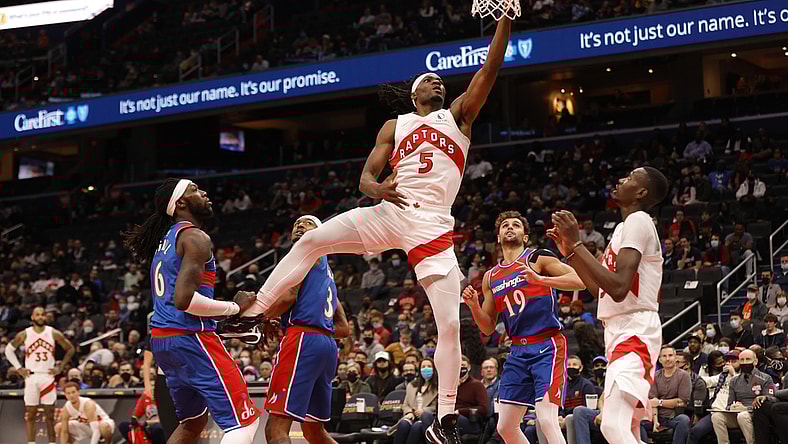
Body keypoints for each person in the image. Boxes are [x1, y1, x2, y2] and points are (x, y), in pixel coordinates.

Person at [224, 15, 513, 444]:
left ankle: (445, 417)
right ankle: (255, 312)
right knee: (313, 240)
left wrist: (504, 22)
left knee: (450, 325)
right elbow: (364, 180)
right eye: (430, 81)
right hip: (391, 210)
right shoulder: (394, 125)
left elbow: (488, 71)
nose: (438, 84)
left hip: (433, 223)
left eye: (441, 82)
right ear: (415, 93)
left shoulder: (459, 116)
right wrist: (379, 188)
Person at [121, 178, 261, 444]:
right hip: (189, 337)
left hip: (163, 341)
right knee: (245, 422)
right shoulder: (195, 237)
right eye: (195, 189)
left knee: (192, 422)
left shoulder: (166, 240)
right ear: (181, 202)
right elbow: (185, 300)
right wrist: (235, 307)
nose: (204, 192)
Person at [550, 167, 670, 444]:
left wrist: (578, 244)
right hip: (617, 331)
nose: (620, 180)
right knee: (624, 430)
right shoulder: (621, 229)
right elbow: (599, 290)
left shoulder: (639, 220)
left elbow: (618, 288)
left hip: (635, 329)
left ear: (641, 193)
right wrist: (570, 253)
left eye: (628, 178)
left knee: (612, 426)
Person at [463, 210, 585, 444]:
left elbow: (580, 280)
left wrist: (542, 280)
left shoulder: (537, 258)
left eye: (516, 225)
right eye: (505, 225)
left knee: (546, 420)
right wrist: (474, 306)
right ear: (498, 237)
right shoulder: (491, 276)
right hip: (517, 350)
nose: (510, 228)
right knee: (506, 427)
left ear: (525, 236)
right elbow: (488, 328)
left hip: (547, 345)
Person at [248, 215, 350, 444]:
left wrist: (259, 318)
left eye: (308, 223)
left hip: (303, 339)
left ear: (320, 232)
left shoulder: (304, 253)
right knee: (314, 432)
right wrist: (316, 325)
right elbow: (343, 328)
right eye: (296, 224)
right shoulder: (327, 273)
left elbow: (288, 296)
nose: (300, 226)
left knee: (275, 431)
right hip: (327, 347)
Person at [4, 306, 75, 444]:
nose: (40, 317)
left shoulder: (53, 333)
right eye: (37, 315)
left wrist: (60, 367)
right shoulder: (25, 334)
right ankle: (31, 443)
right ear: (32, 317)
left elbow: (70, 349)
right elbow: (8, 350)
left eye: (42, 315)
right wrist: (19, 368)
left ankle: (52, 442)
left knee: (49, 414)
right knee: (31, 413)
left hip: (47, 376)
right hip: (31, 376)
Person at [710, 349, 774, 444]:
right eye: (742, 360)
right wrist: (732, 407)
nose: (744, 362)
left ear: (755, 361)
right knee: (716, 417)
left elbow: (771, 398)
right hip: (737, 414)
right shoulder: (734, 380)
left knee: (743, 416)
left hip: (756, 414)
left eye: (748, 359)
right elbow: (729, 404)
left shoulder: (766, 378)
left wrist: (746, 408)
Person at [644, 345, 691, 444]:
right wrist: (655, 420)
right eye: (664, 356)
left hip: (673, 417)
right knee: (637, 423)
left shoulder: (683, 375)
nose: (668, 359)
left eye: (670, 355)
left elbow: (682, 401)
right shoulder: (655, 375)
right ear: (660, 359)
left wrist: (660, 402)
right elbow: (653, 402)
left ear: (675, 357)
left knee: (684, 420)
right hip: (657, 416)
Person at [395, 357, 439, 444]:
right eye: (423, 367)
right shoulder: (412, 385)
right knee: (403, 424)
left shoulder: (438, 386)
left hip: (428, 417)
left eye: (429, 366)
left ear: (434, 369)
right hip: (412, 415)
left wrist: (424, 411)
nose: (426, 368)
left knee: (417, 427)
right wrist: (409, 412)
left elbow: (437, 406)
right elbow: (405, 404)